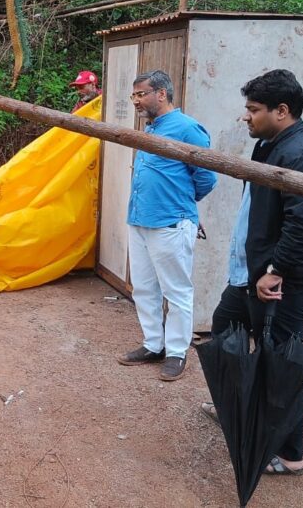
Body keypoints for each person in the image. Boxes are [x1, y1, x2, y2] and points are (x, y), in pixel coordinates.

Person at [201, 69, 303, 475]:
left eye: (253, 109)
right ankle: (237, 408)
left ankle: (290, 454)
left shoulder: (300, 156)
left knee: (280, 360)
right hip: (251, 273)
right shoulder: (269, 146)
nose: (246, 116)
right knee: (225, 329)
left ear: (282, 110)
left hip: (282, 280)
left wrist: (275, 270)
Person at [116, 70, 217, 381]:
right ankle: (153, 344)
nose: (135, 101)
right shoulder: (151, 128)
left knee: (176, 290)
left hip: (170, 223)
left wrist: (182, 204)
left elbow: (206, 177)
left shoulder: (187, 129)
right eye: (133, 95)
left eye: (141, 94)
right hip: (140, 220)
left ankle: (176, 352)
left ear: (161, 94)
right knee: (144, 287)